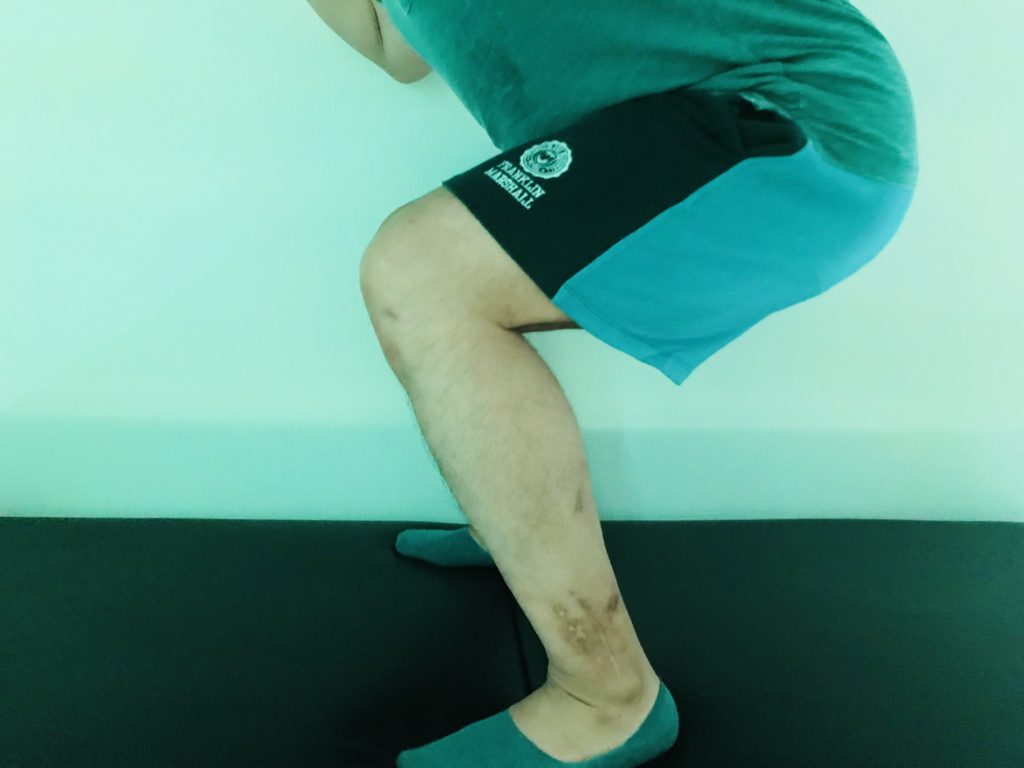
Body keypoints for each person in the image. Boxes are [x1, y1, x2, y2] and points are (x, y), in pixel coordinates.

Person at [307, 2, 919, 766]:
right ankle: (516, 528)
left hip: (790, 122)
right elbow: (396, 48)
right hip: (713, 124)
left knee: (425, 271)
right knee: (442, 273)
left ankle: (608, 700)